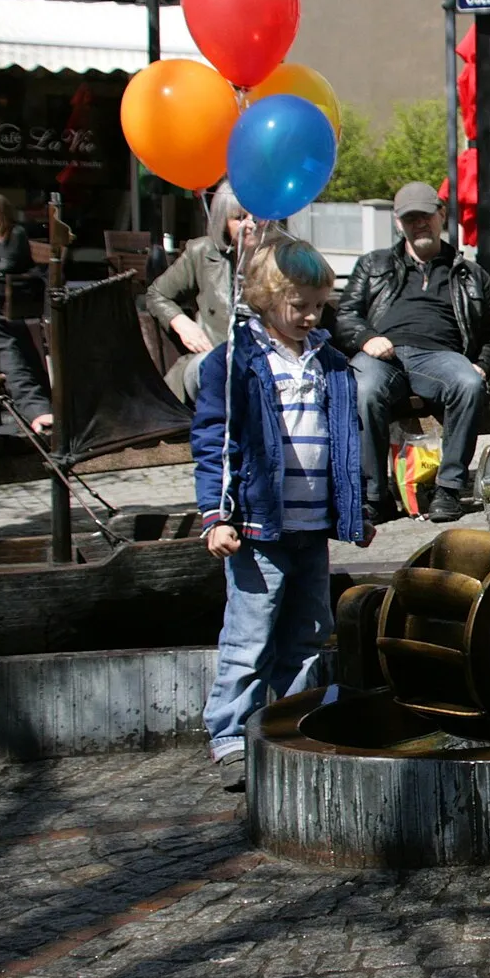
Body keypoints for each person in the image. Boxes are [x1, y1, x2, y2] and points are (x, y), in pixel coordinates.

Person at [191, 233, 368, 784]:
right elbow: (214, 442)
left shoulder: (329, 362)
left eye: (319, 306)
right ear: (267, 299)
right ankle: (230, 734)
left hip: (311, 524)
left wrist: (357, 511)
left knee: (310, 630)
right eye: (299, 306)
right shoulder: (235, 362)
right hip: (256, 524)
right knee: (250, 636)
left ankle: (296, 724)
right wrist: (216, 516)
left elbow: (346, 437)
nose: (310, 316)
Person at [335, 181, 490, 525]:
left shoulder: (469, 274)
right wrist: (367, 337)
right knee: (364, 389)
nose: (419, 224)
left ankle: (448, 488)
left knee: (468, 384)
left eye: (425, 216)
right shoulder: (374, 264)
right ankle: (373, 497)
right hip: (383, 354)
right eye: (410, 218)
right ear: (399, 223)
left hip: (439, 357)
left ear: (441, 215)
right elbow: (345, 315)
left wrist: (483, 366)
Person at [148, 183, 255, 404]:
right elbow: (156, 293)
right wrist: (180, 322)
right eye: (240, 217)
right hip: (211, 360)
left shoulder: (281, 259)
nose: (250, 224)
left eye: (257, 215)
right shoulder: (202, 253)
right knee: (217, 369)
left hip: (260, 368)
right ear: (223, 221)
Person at [0, 193, 51, 434]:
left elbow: (11, 263)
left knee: (0, 330)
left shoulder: (15, 233)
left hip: (16, 291)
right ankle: (34, 408)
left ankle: (35, 408)